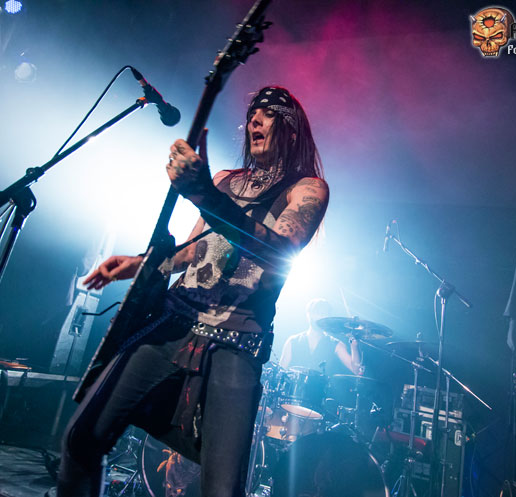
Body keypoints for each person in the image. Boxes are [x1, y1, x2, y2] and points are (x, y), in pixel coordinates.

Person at [56, 86, 328, 497]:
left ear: (291, 130)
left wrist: (206, 196)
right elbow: (193, 251)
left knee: (221, 488)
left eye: (268, 113)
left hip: (236, 341)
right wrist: (143, 264)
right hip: (176, 320)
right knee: (82, 438)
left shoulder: (307, 189)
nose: (254, 120)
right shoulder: (224, 181)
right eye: (251, 114)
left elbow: (277, 248)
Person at [279, 298, 362, 376]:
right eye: (318, 313)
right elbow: (280, 372)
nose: (321, 316)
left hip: (320, 387)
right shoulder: (293, 341)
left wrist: (354, 347)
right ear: (309, 314)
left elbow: (357, 370)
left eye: (324, 314)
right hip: (293, 386)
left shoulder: (335, 344)